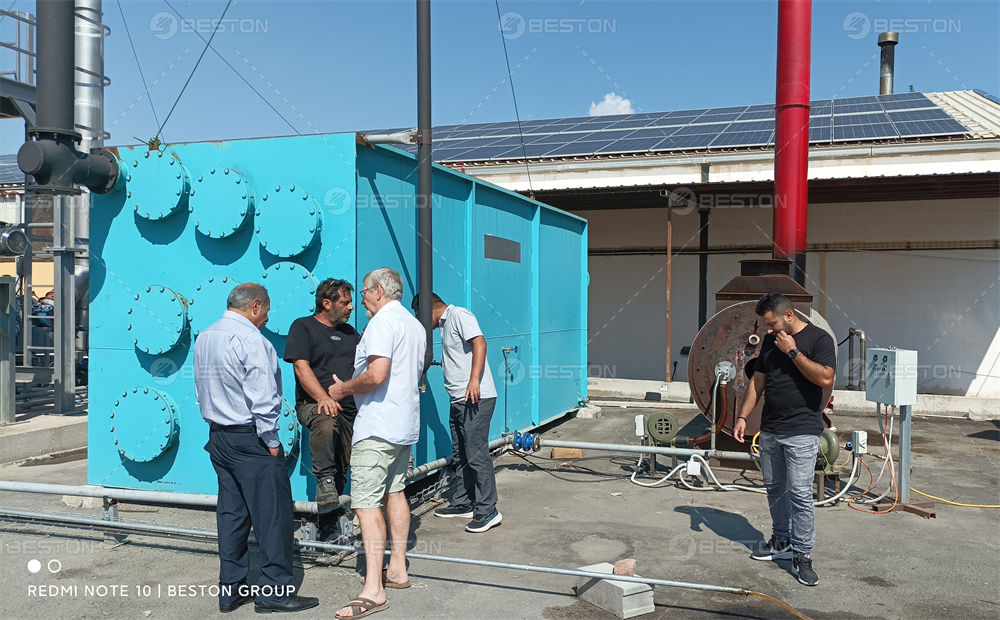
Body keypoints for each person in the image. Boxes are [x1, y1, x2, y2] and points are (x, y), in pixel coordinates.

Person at [194, 282, 319, 614]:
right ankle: (274, 591)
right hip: (252, 439)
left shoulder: (205, 338)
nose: (267, 317)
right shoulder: (253, 341)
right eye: (265, 309)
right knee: (273, 517)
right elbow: (262, 399)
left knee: (232, 516)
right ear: (254, 306)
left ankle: (231, 590)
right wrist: (272, 442)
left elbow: (200, 389)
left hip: (219, 437)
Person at [326, 267, 425, 619]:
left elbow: (377, 374)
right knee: (395, 493)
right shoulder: (413, 324)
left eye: (366, 292)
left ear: (379, 291)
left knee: (367, 504)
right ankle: (397, 569)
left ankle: (373, 590)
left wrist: (343, 388)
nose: (362, 300)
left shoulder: (383, 322)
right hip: (403, 425)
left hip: (377, 426)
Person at [734, 292, 836, 587]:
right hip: (771, 429)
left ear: (789, 316)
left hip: (802, 430)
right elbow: (759, 381)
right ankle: (781, 542)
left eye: (773, 324)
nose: (769, 331)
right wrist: (743, 417)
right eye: (767, 326)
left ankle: (803, 556)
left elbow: (825, 378)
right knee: (775, 488)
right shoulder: (770, 341)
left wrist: (793, 352)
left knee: (800, 494)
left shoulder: (819, 340)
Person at [413, 293, 501, 533]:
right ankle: (464, 502)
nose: (421, 323)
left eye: (419, 316)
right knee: (460, 453)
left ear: (428, 309)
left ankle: (488, 509)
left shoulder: (459, 314)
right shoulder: (444, 324)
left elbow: (480, 342)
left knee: (476, 453)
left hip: (476, 397)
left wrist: (474, 381)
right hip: (459, 399)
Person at [283, 278, 361, 531]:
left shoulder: (351, 334)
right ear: (326, 303)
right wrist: (323, 398)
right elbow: (300, 365)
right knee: (325, 420)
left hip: (350, 411)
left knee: (343, 466)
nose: (351, 307)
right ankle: (324, 480)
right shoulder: (303, 327)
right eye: (345, 302)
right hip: (313, 405)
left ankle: (329, 525)